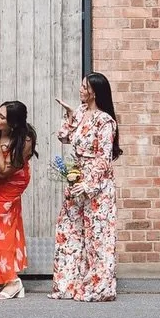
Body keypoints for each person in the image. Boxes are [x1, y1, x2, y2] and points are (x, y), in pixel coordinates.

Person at [50, 72, 122, 302]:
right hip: (76, 176)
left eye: (84, 87)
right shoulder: (80, 112)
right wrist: (71, 115)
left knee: (97, 235)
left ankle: (98, 288)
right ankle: (68, 285)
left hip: (97, 184)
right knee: (69, 232)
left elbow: (104, 157)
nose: (80, 89)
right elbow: (63, 137)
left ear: (94, 92)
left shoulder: (105, 121)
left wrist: (89, 183)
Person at [0, 100, 36, 300]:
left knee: (0, 231)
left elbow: (4, 172)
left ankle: (12, 281)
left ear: (13, 124)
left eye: (2, 117)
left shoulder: (25, 140)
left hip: (10, 185)